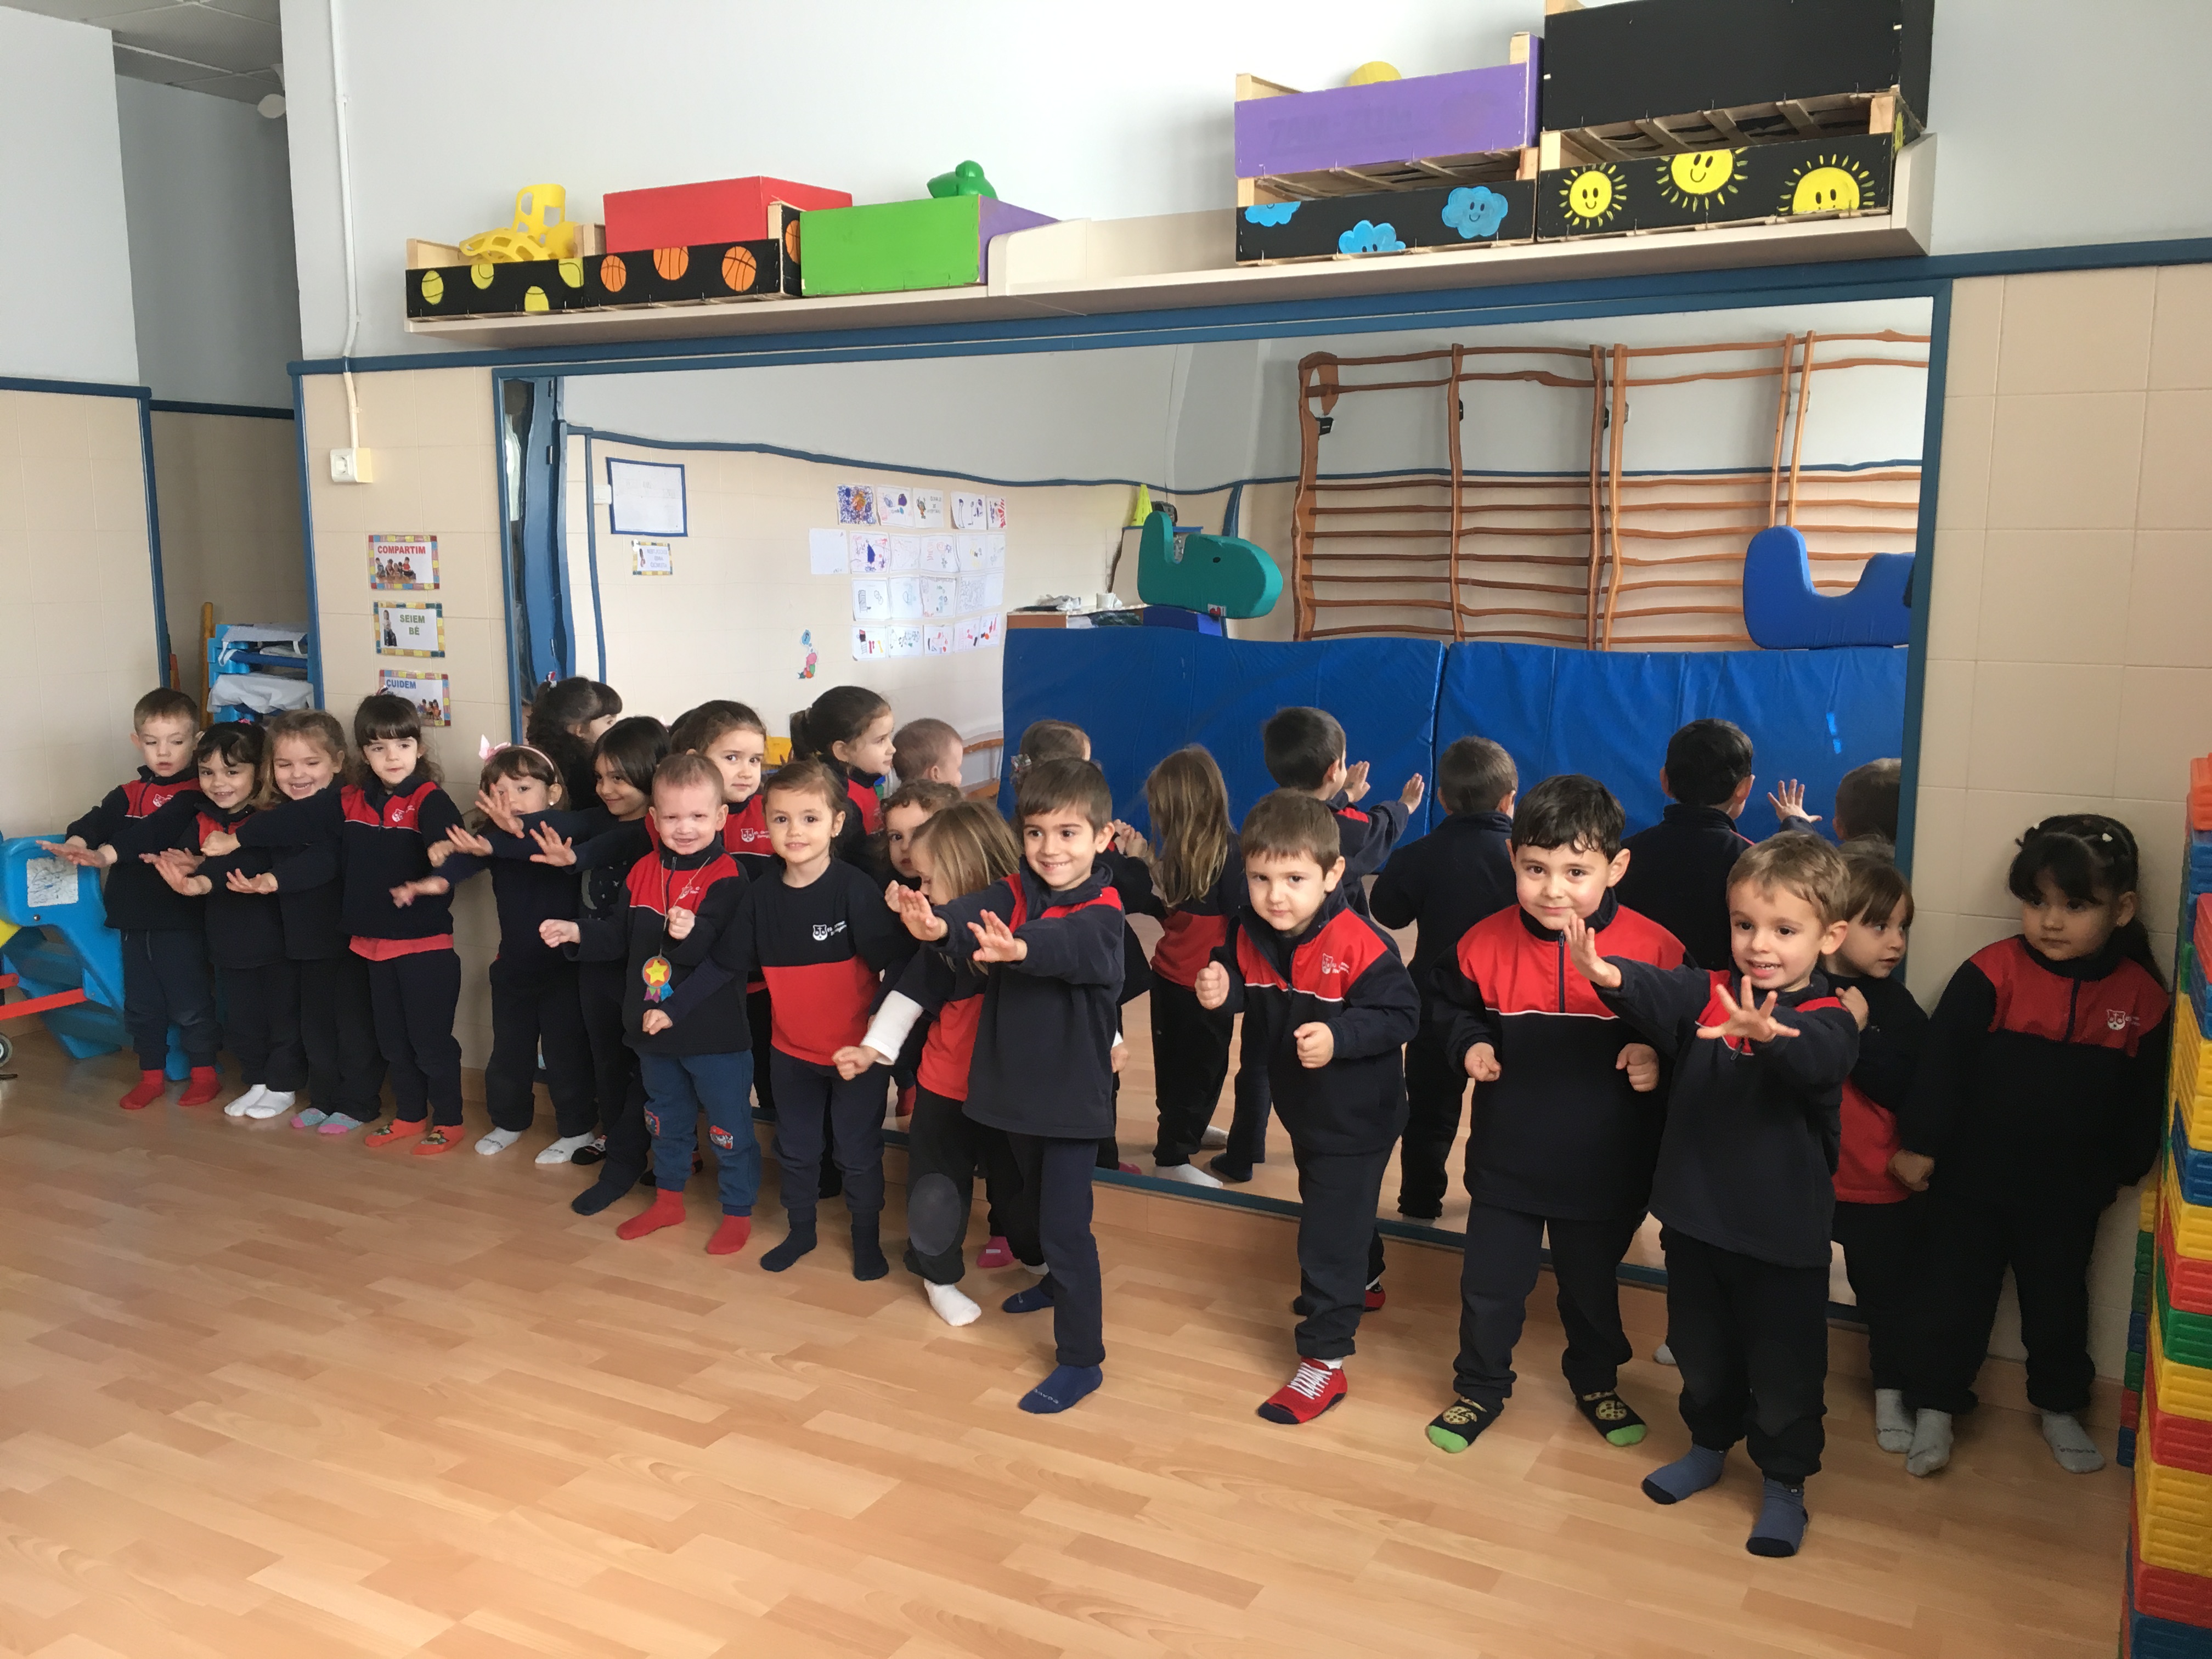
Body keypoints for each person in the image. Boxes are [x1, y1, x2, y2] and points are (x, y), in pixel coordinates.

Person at [1566, 833, 1858, 1559]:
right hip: (1696, 1225)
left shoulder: (1829, 1016)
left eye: (1785, 930)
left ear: (1830, 937)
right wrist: (1607, 972)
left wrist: (1770, 1035)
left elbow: (1820, 1059)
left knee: (1785, 1374)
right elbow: (1663, 989)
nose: (1760, 945)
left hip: (1781, 1243)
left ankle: (1785, 1481)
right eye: (1745, 924)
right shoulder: (1712, 992)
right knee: (1702, 1353)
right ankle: (1707, 1446)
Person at [1895, 814, 2171, 1480]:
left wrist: (2125, 1168)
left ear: (2121, 909)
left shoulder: (2141, 998)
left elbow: (2146, 1097)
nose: (2050, 921)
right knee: (1954, 1297)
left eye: (2075, 905)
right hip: (1970, 1183)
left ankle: (2060, 1405)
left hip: (2068, 1194)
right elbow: (1942, 1067)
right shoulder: (1992, 972)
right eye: (2037, 901)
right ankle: (1935, 1405)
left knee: (2059, 1303)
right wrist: (1920, 1144)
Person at [1423, 775, 1675, 1454]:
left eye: (1575, 872)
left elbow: (1689, 1027)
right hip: (1507, 1160)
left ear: (1616, 867)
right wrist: (1469, 1042)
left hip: (1604, 1168)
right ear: (1512, 859)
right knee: (1490, 1288)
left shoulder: (1657, 948)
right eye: (1535, 869)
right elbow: (1449, 1008)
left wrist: (1656, 1054)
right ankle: (1480, 1387)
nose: (1553, 889)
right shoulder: (1480, 942)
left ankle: (1595, 1382)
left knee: (1591, 1290)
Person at [891, 757, 1125, 1413]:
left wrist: (1020, 950)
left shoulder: (1104, 913)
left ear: (1103, 838)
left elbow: (1070, 945)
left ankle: (1082, 1359)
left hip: (1070, 1107)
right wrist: (939, 925)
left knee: (1066, 1233)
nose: (1050, 849)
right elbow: (972, 910)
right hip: (1014, 1099)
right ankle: (1049, 1286)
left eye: (1069, 834)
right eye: (1036, 833)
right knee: (1028, 1210)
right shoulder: (1015, 890)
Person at [1195, 791, 1420, 1423]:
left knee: (1326, 1235)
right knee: (1340, 1212)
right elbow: (1239, 982)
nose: (1276, 895)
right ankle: (1365, 1281)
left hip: (1359, 1115)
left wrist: (1341, 1037)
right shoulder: (1247, 929)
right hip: (1306, 1108)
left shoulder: (1361, 943)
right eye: (1261, 878)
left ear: (1332, 874)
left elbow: (1403, 1013)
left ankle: (1324, 1360)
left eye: (1294, 879)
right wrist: (1220, 988)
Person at [216, 693, 475, 1153]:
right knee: (393, 1043)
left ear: (418, 748)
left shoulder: (428, 799)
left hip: (423, 947)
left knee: (429, 1042)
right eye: (378, 748)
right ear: (363, 754)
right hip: (371, 947)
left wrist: (441, 866)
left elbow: (457, 850)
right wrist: (237, 839)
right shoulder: (352, 800)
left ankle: (450, 1121)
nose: (391, 757)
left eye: (402, 746)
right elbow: (296, 820)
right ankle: (410, 1115)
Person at [545, 751, 760, 1254]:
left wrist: (694, 930)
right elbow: (619, 935)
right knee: (665, 1122)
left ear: (720, 817)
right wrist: (577, 932)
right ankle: (668, 1201)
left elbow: (727, 959)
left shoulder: (729, 876)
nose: (684, 828)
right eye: (672, 817)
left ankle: (737, 1212)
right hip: (652, 1031)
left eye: (698, 816)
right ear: (654, 818)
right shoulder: (643, 870)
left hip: (714, 1035)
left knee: (729, 1128)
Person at [710, 758, 907, 1278]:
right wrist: (672, 1008)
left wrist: (879, 1042)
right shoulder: (760, 896)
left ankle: (866, 1238)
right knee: (796, 1150)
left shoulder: (855, 889)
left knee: (858, 1152)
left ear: (837, 823)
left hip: (856, 1055)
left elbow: (898, 968)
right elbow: (726, 966)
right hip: (790, 1054)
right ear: (766, 822)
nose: (794, 831)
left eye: (810, 818)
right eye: (781, 819)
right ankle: (801, 1232)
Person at [836, 802, 1032, 1327]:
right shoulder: (939, 943)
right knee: (937, 1188)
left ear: (968, 871)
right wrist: (871, 1050)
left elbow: (1074, 992)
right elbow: (907, 997)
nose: (921, 890)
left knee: (1020, 1186)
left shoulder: (1030, 930)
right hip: (946, 1086)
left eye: (929, 880)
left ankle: (1033, 1251)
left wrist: (1110, 1041)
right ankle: (938, 1277)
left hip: (1015, 1091)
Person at [1369, 733, 1520, 1219]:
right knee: (1506, 1113)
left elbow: (1387, 911)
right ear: (1509, 800)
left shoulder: (1421, 854)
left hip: (1435, 1007)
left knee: (1429, 1112)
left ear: (1442, 798)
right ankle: (1498, 1206)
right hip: (1509, 1009)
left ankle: (1419, 1200)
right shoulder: (1530, 864)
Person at [44, 687, 216, 1109]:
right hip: (131, 919)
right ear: (137, 741)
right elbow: (95, 820)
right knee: (141, 1004)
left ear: (196, 742)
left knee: (190, 1002)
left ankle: (205, 1074)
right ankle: (151, 1075)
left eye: (176, 741)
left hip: (179, 918)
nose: (164, 752)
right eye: (153, 742)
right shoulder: (126, 792)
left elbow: (154, 831)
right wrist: (77, 844)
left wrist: (104, 855)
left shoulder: (199, 792)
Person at [525, 716, 669, 1201]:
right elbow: (571, 826)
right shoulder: (595, 816)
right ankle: (614, 1133)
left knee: (646, 1062)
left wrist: (577, 858)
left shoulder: (658, 830)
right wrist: (511, 824)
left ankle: (664, 1144)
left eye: (619, 778)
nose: (606, 789)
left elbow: (624, 842)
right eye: (600, 777)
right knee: (605, 1056)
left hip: (639, 967)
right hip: (593, 962)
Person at [434, 744, 596, 1160]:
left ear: (553, 793)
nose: (511, 800)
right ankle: (509, 1121)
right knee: (509, 1052)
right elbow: (465, 863)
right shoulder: (495, 840)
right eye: (499, 792)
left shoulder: (564, 832)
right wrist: (438, 876)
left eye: (523, 788)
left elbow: (558, 831)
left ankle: (577, 1129)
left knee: (565, 1055)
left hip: (564, 969)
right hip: (513, 967)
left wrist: (503, 838)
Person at [128, 725, 299, 1120]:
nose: (218, 783)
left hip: (274, 942)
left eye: (232, 772)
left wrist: (201, 878)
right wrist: (186, 864)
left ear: (260, 771)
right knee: (242, 1020)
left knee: (281, 1019)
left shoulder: (270, 819)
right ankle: (258, 1081)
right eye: (207, 772)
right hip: (226, 941)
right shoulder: (204, 816)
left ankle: (283, 1085)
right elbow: (190, 854)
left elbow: (252, 861)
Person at [1816, 854, 1928, 1454]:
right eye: (1879, 926)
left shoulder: (1896, 1007)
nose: (1896, 942)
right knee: (1779, 1280)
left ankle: (1892, 1391)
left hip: (1876, 1182)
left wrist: (1855, 1035)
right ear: (1835, 926)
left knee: (1886, 1296)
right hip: (1806, 1177)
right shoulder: (1800, 986)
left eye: (1902, 927)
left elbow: (1909, 1089)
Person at [256, 710, 386, 1133]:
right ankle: (324, 1098)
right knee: (315, 1027)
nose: (298, 775)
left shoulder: (346, 809)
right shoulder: (278, 815)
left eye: (311, 763)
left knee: (353, 1026)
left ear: (338, 761)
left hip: (348, 941)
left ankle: (359, 1103)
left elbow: (325, 861)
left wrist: (274, 879)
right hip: (305, 942)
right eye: (285, 764)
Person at [1121, 746, 1242, 1187]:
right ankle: (1172, 1155)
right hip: (1176, 982)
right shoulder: (1182, 855)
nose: (1158, 816)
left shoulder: (1229, 855)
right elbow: (1167, 909)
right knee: (1186, 1070)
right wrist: (1139, 860)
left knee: (1199, 1071)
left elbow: (1239, 922)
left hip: (1203, 987)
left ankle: (1186, 1130)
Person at [1614, 718, 1756, 972]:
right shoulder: (1754, 863)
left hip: (1630, 987)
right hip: (1720, 994)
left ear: (1664, 781)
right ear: (1745, 788)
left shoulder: (1621, 857)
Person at [1260, 706, 1425, 915]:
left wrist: (1347, 795)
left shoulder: (1264, 814)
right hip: (1332, 923)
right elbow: (1379, 828)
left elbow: (1316, 804)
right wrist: (1405, 806)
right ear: (1333, 771)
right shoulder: (1344, 826)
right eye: (1344, 762)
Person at [791, 684, 895, 860]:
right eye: (880, 740)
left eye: (889, 736)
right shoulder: (840, 799)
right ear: (843, 751)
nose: (892, 749)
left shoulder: (862, 776)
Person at [1770, 758, 1903, 855]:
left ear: (1838, 827)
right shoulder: (1910, 870)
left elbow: (1810, 860)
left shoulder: (1837, 876)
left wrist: (1795, 821)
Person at [527, 676, 622, 809]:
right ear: (580, 729)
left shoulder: (539, 759)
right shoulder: (586, 771)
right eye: (609, 722)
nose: (616, 728)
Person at [892, 718, 965, 788]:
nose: (961, 777)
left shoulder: (902, 795)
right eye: (958, 769)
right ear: (935, 774)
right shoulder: (946, 796)